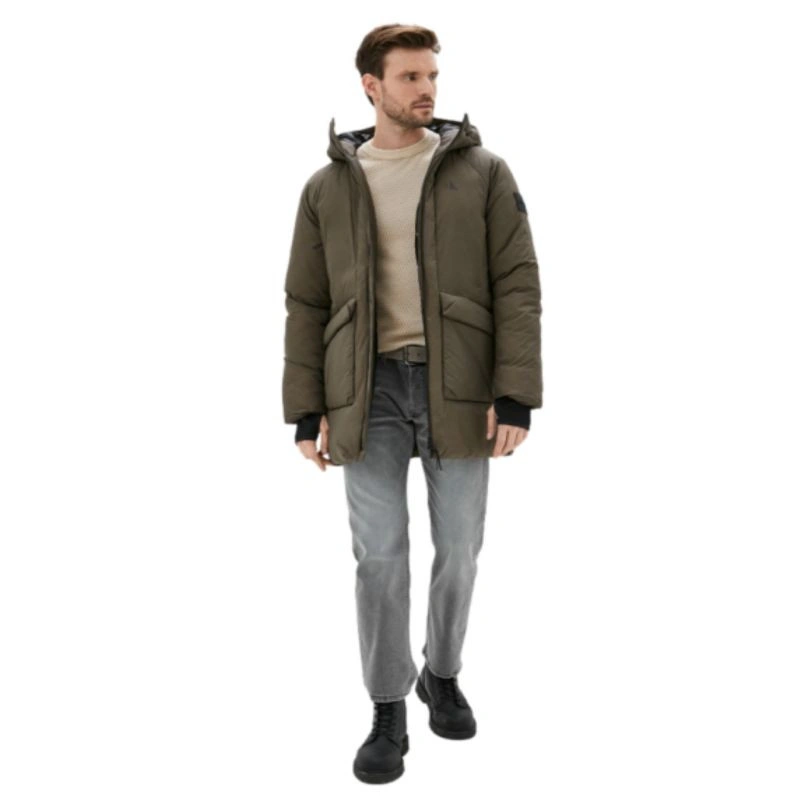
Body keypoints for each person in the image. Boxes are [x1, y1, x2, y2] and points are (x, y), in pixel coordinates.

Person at [281, 23, 543, 784]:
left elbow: (517, 283)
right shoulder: (327, 187)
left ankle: (443, 672)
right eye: (410, 77)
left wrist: (515, 394)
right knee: (380, 555)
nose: (427, 89)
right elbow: (306, 302)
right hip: (364, 392)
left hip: (459, 386)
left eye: (431, 76)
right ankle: (388, 704)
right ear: (372, 85)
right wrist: (307, 410)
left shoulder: (481, 171)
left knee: (459, 545)